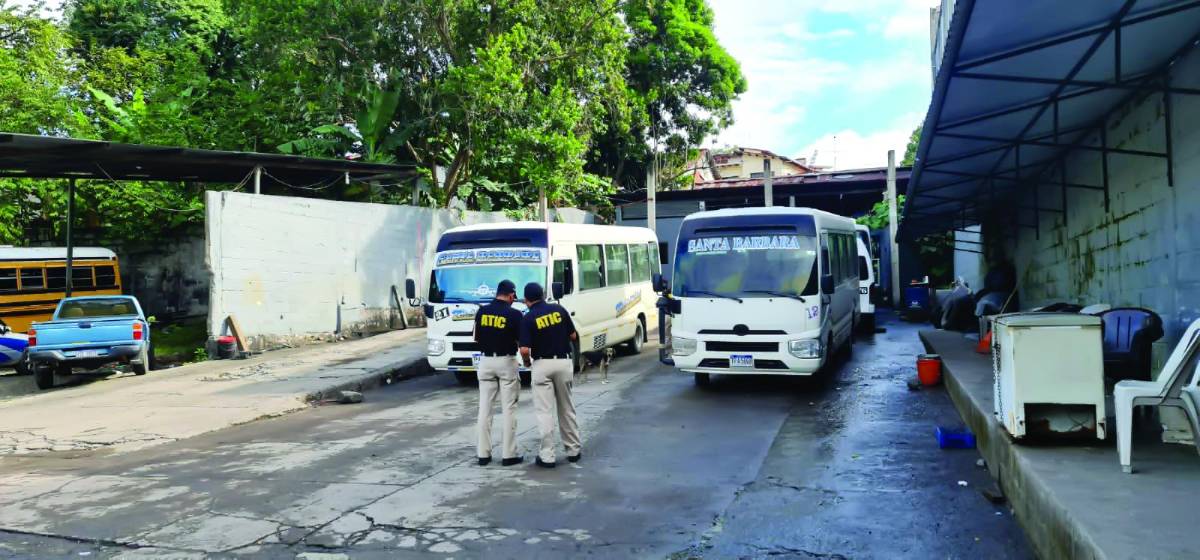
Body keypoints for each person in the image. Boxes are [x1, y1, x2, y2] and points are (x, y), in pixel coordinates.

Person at [518, 282, 581, 468]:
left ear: (527, 300)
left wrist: (528, 362)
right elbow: (573, 336)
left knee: (544, 412)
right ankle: (573, 451)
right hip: (563, 362)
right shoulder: (559, 310)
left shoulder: (528, 318)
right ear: (543, 295)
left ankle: (547, 456)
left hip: (542, 365)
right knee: (567, 408)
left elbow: (523, 349)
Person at [472, 280, 525, 467]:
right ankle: (509, 455)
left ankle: (483, 455)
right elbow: (521, 341)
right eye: (513, 297)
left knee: (484, 410)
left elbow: (476, 338)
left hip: (485, 362)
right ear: (510, 295)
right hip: (506, 361)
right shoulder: (514, 314)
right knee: (509, 409)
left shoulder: (482, 311)